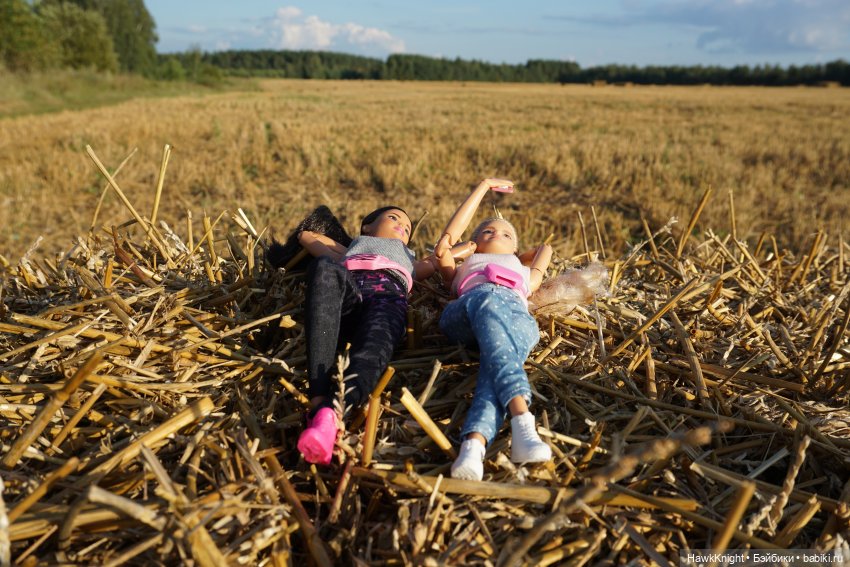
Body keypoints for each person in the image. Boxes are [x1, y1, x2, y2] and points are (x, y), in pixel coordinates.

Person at [295, 205, 474, 465]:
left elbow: (440, 258)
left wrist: (470, 247)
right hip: (348, 296)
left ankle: (329, 416)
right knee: (323, 265)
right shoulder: (353, 248)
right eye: (393, 217)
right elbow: (308, 237)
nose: (403, 225)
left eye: (408, 228)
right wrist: (348, 245)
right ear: (366, 226)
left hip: (387, 301)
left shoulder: (410, 261)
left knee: (371, 350)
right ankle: (319, 396)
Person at [434, 179, 553, 481]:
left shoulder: (525, 272)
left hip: (517, 321)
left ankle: (473, 447)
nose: (496, 233)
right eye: (486, 230)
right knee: (489, 303)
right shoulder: (466, 264)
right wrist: (483, 187)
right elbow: (443, 248)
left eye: (506, 233)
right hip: (467, 312)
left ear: (517, 247)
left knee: (494, 362)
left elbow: (545, 248)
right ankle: (522, 419)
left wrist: (514, 254)